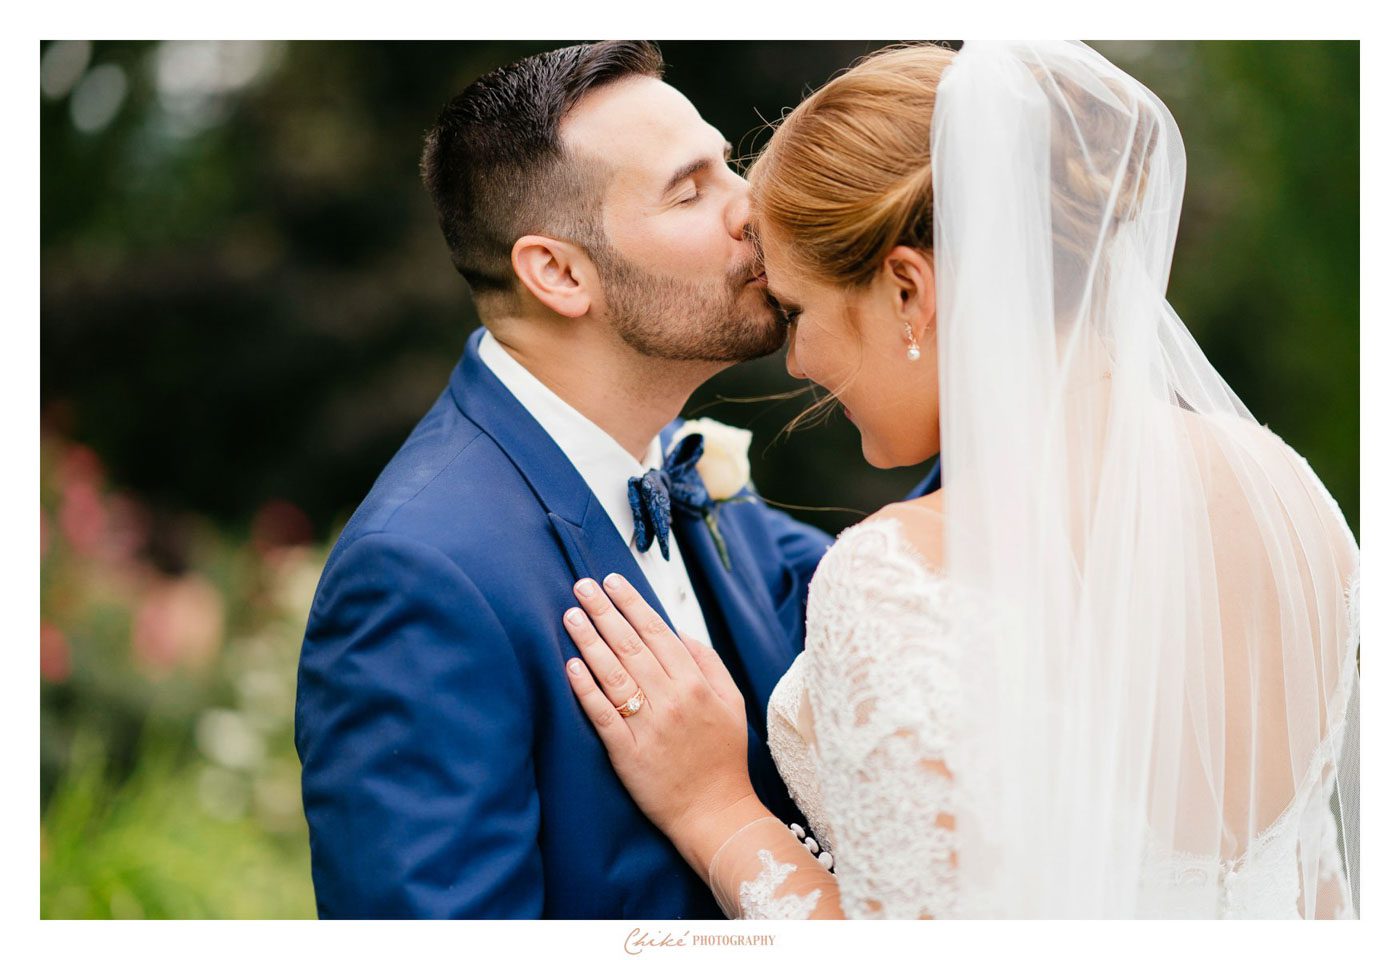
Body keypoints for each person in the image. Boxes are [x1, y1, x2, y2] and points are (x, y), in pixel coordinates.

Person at [560, 40, 1361, 919]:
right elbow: (1314, 885)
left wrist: (714, 811)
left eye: (798, 312)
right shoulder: (1287, 494)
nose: (795, 359)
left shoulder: (901, 572)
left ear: (909, 289)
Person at [293, 41, 888, 919]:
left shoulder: (693, 474)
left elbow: (923, 601)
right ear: (560, 274)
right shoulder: (419, 577)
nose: (752, 207)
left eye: (729, 167)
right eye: (690, 191)